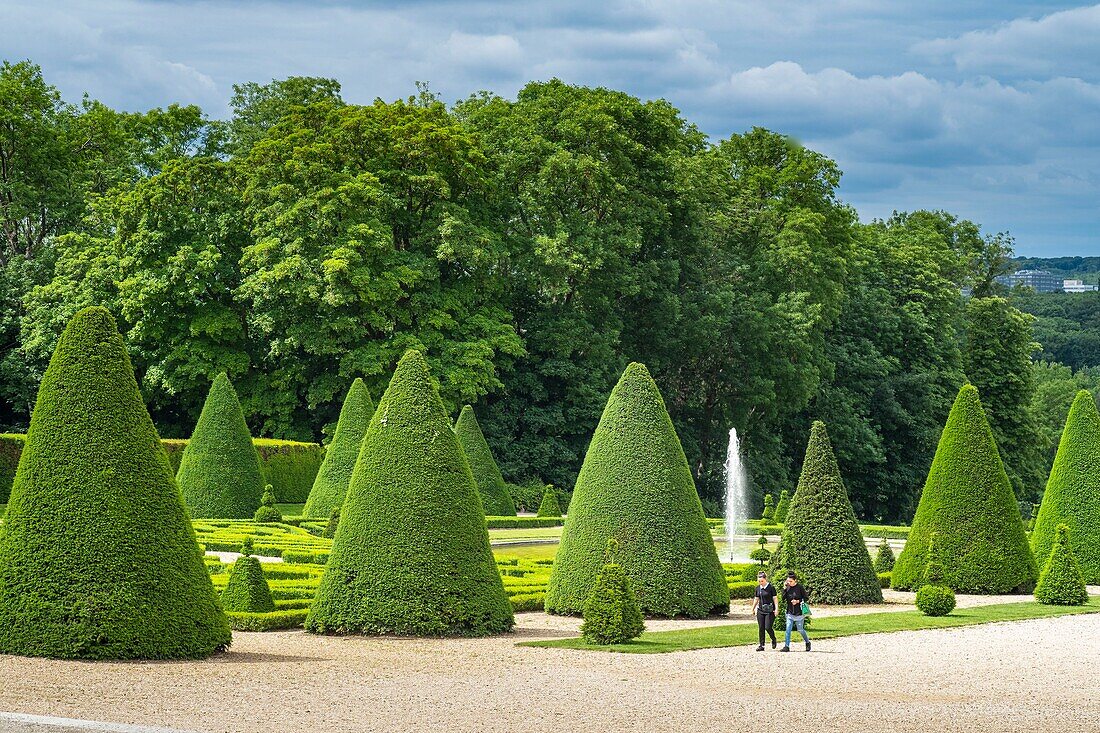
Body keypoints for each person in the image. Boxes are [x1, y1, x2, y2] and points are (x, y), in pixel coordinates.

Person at [781, 571, 811, 652]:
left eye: (791, 581)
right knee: (788, 629)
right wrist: (784, 588)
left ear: (795, 580)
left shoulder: (800, 587)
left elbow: (806, 598)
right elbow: (783, 598)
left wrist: (798, 601)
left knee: (800, 629)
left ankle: (807, 642)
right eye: (788, 581)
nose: (789, 583)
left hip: (799, 613)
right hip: (790, 612)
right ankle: (786, 646)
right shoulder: (787, 588)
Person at [750, 571, 778, 651]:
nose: (760, 583)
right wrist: (753, 608)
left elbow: (775, 598)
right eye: (759, 581)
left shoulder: (771, 587)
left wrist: (776, 609)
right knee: (761, 628)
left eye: (762, 581)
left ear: (765, 579)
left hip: (770, 610)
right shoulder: (758, 588)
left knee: (768, 627)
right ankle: (761, 645)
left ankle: (773, 639)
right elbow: (756, 599)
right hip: (760, 610)